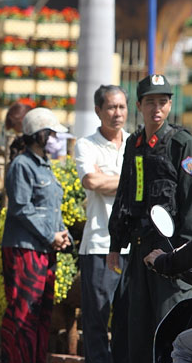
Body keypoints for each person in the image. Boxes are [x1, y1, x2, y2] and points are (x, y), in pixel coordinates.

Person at [108, 74, 192, 363]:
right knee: (136, 327)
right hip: (140, 248)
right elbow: (125, 193)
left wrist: (181, 253)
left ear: (170, 106)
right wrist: (115, 244)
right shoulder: (135, 143)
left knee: (169, 324)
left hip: (171, 253)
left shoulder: (181, 143)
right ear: (139, 105)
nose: (157, 108)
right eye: (150, 102)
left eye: (163, 102)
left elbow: (189, 200)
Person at [1, 107, 71, 363]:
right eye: (52, 134)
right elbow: (21, 207)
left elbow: (52, 208)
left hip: (44, 250)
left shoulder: (46, 167)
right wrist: (50, 235)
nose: (56, 140)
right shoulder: (22, 165)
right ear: (38, 135)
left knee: (42, 313)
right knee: (23, 314)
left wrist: (63, 236)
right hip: (24, 249)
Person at [74, 85, 130, 363]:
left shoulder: (135, 143)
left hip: (133, 246)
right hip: (99, 245)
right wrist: (131, 183)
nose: (117, 113)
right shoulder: (86, 145)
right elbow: (92, 182)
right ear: (98, 110)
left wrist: (110, 181)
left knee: (127, 322)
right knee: (96, 320)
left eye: (121, 107)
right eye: (111, 107)